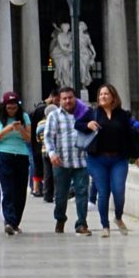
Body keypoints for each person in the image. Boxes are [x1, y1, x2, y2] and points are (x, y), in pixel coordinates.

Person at [81, 83, 139, 235]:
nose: (103, 96)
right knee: (103, 191)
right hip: (97, 160)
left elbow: (131, 135)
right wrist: (87, 124)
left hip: (118, 159)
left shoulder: (123, 115)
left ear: (113, 97)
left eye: (106, 94)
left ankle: (118, 217)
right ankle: (105, 225)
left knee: (119, 190)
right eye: (100, 94)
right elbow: (77, 124)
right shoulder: (92, 113)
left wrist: (138, 155)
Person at [40, 86, 91, 235]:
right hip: (61, 161)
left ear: (75, 98)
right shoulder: (54, 116)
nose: (68, 101)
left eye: (70, 97)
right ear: (59, 100)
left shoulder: (84, 114)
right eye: (64, 98)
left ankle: (81, 224)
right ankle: (60, 218)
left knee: (82, 193)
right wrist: (52, 153)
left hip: (81, 161)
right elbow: (48, 136)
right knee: (61, 195)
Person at [0, 92, 34, 235]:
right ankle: (8, 221)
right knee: (7, 190)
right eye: (9, 108)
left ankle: (15, 222)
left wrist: (20, 128)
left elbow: (28, 138)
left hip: (21, 155)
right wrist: (7, 129)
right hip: (5, 154)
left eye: (14, 108)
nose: (12, 110)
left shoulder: (24, 117)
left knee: (20, 191)